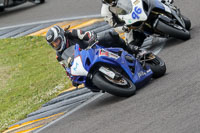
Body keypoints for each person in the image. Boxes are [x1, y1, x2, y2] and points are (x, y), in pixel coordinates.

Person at [46, 25, 128, 86]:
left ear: (62, 36)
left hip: (91, 49)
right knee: (86, 83)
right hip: (83, 65)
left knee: (110, 35)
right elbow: (67, 69)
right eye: (53, 44)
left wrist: (91, 38)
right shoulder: (59, 56)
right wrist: (72, 78)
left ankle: (131, 49)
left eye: (56, 41)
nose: (56, 44)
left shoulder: (71, 33)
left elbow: (87, 34)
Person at [101, 0, 173, 55]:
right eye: (109, 0)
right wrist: (123, 28)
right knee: (131, 47)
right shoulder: (105, 12)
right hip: (130, 24)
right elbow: (115, 26)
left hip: (138, 8)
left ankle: (164, 2)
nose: (112, 1)